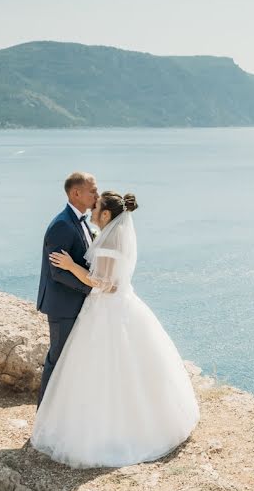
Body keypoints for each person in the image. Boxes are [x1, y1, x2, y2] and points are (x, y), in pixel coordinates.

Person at [30, 191, 200, 468]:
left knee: (103, 369)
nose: (92, 210)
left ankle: (104, 430)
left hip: (106, 309)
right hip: (117, 307)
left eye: (96, 207)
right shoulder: (113, 236)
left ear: (106, 215)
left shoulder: (109, 243)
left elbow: (106, 284)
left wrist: (72, 266)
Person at [36, 172, 99, 407]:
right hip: (63, 305)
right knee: (58, 359)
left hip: (78, 303)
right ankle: (44, 414)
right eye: (92, 190)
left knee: (74, 360)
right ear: (76, 193)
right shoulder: (62, 225)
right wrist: (90, 287)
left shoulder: (81, 222)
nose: (96, 194)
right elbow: (58, 272)